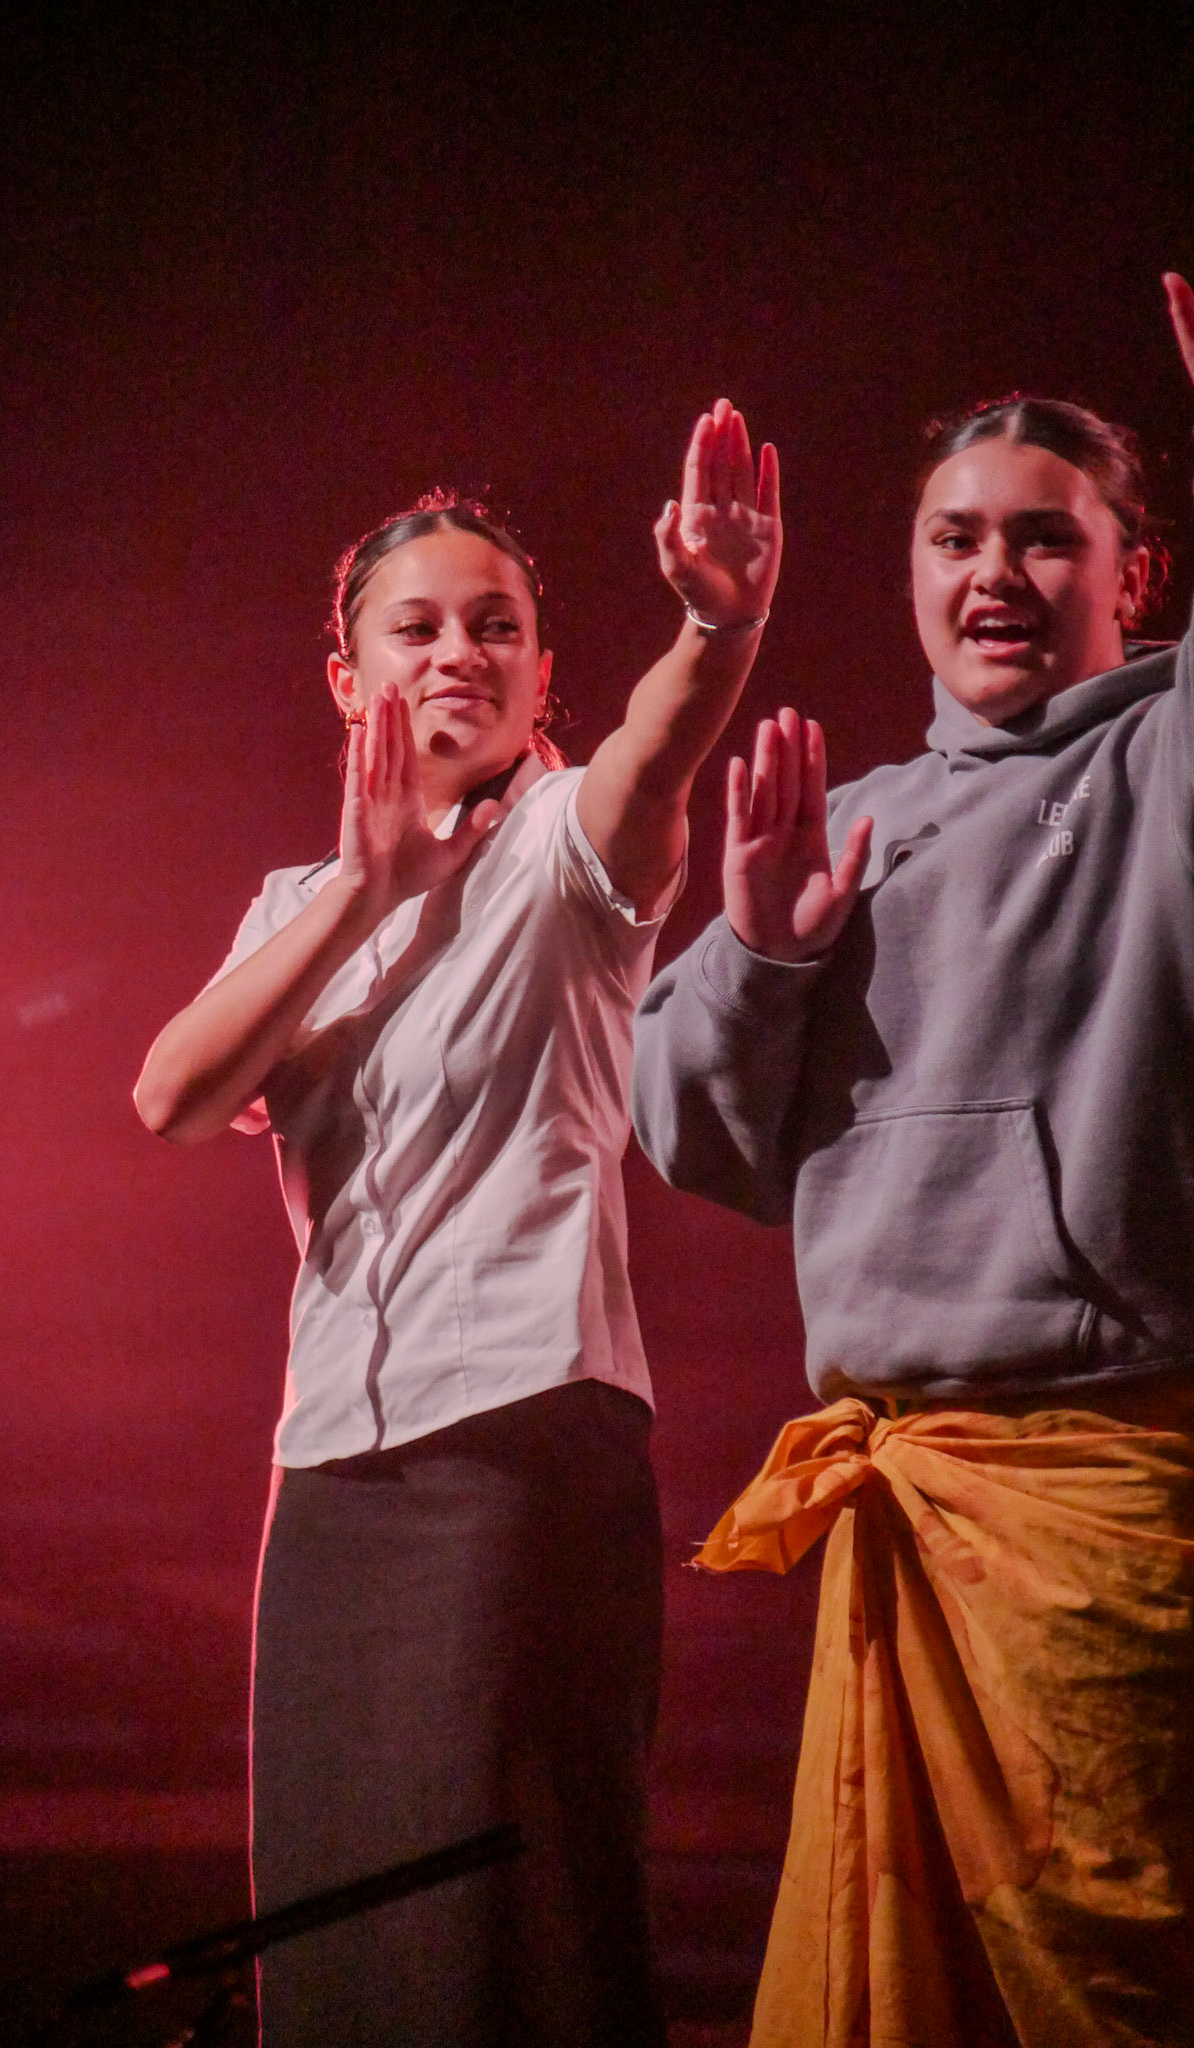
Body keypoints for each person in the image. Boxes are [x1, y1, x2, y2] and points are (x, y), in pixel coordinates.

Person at [133, 402, 781, 2046]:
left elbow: (658, 749)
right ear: (345, 679)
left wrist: (715, 627)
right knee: (346, 1931)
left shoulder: (565, 846)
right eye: (414, 628)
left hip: (517, 1437)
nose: (457, 653)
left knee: (504, 1933)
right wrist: (368, 884)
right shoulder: (298, 906)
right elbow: (173, 1096)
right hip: (333, 1469)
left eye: (495, 626)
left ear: (541, 668)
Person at [631, 274, 1194, 2048]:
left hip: (1110, 1512)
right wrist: (763, 947)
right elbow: (682, 1127)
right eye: (955, 539)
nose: (993, 573)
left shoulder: (1163, 765)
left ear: (1132, 578)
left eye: (1044, 538)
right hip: (908, 1507)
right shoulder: (849, 821)